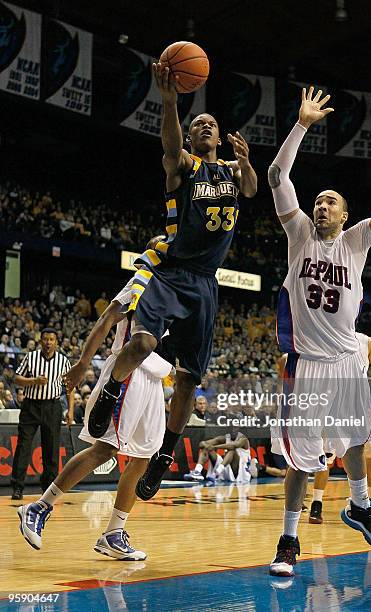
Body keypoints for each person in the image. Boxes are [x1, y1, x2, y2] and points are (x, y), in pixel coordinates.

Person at [268, 87, 371, 576]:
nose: (320, 206)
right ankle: (288, 540)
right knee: (303, 461)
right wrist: (300, 125)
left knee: (358, 443)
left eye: (329, 202)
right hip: (308, 365)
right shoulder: (298, 237)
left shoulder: (357, 241)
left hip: (347, 364)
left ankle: (360, 506)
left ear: (344, 212)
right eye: (316, 201)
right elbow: (277, 175)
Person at [87, 61, 257, 501]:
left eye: (210, 124)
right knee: (142, 344)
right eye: (197, 122)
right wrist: (169, 102)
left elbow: (253, 189)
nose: (203, 126)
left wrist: (246, 163)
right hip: (170, 273)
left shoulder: (233, 174)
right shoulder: (183, 166)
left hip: (204, 283)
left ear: (219, 137)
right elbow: (170, 144)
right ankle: (109, 390)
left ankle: (163, 458)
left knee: (187, 380)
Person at [17, 277, 172, 560]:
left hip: (154, 379)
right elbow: (107, 318)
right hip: (128, 372)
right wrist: (82, 364)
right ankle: (40, 506)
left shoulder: (179, 286)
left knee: (143, 457)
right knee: (104, 449)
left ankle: (114, 533)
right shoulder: (145, 276)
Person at [309, 333, 371, 525]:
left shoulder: (367, 341)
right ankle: (316, 504)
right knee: (326, 458)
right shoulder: (328, 338)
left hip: (360, 406)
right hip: (333, 406)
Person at [10, 329, 74, 500]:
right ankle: (17, 487)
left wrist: (71, 412)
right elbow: (16, 378)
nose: (48, 342)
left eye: (51, 339)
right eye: (45, 339)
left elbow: (69, 387)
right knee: (23, 446)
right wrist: (33, 381)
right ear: (40, 341)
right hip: (30, 406)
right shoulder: (31, 358)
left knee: (51, 449)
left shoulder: (63, 361)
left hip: (52, 407)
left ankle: (48, 489)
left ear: (56, 342)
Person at [184, 428, 252, 483]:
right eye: (231, 427)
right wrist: (207, 445)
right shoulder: (225, 437)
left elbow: (233, 446)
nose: (233, 429)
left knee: (232, 451)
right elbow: (201, 444)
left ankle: (216, 473)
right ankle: (197, 472)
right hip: (226, 467)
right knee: (206, 449)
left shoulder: (243, 439)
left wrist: (214, 447)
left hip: (241, 471)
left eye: (235, 427)